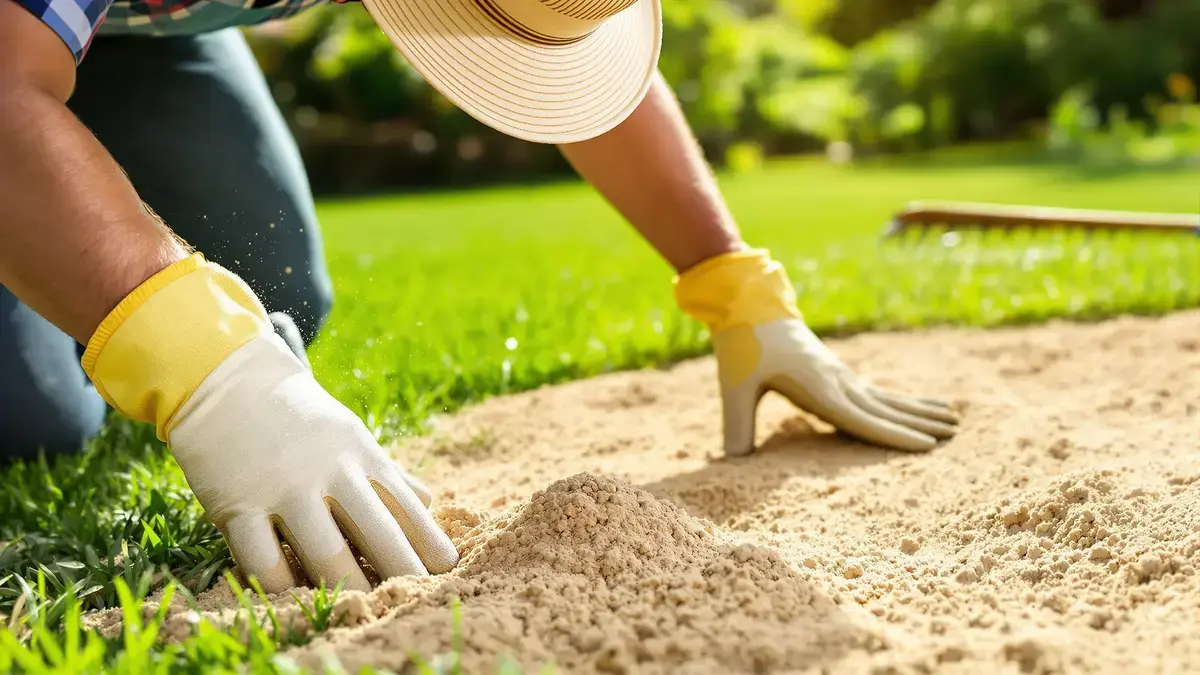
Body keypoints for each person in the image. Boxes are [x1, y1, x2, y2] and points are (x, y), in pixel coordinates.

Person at [0, 0, 958, 594]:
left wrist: (739, 290)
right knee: (29, 421)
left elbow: (593, 89)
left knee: (278, 296)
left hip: (150, 26)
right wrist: (204, 371)